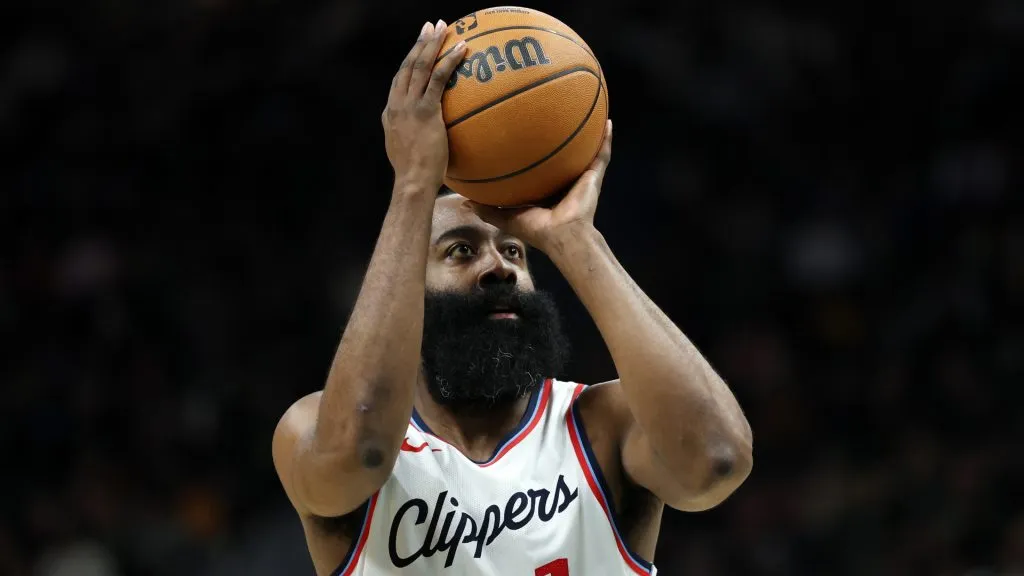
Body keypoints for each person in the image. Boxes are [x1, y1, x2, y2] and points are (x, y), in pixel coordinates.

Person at [272, 19, 753, 576]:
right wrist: (413, 185)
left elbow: (716, 461)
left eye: (516, 252)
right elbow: (361, 451)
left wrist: (573, 237)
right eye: (459, 251)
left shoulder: (602, 424)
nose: (499, 265)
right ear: (404, 291)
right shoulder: (313, 429)